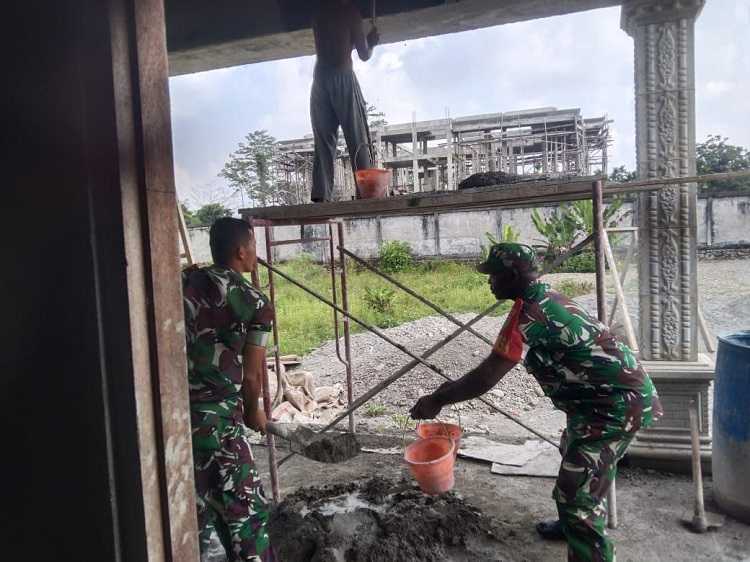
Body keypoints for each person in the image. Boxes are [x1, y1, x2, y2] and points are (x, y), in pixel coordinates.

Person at [410, 242, 663, 562]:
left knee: (578, 498)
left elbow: (486, 377)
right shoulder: (544, 298)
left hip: (613, 408)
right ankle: (569, 524)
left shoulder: (530, 316)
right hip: (599, 402)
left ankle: (582, 533)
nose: (489, 281)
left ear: (513, 274)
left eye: (494, 275)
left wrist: (437, 400)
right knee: (571, 449)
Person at [183, 217, 276, 561]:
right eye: (253, 246)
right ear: (241, 251)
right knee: (247, 519)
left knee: (193, 510)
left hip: (175, 420)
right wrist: (254, 410)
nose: (256, 254)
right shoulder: (256, 303)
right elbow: (252, 376)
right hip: (219, 425)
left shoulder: (184, 283)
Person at [310, 0, 379, 202]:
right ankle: (367, 192)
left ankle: (321, 195)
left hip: (320, 78)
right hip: (343, 77)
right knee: (358, 138)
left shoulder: (319, 13)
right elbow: (364, 55)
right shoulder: (350, 12)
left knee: (323, 140)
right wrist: (372, 42)